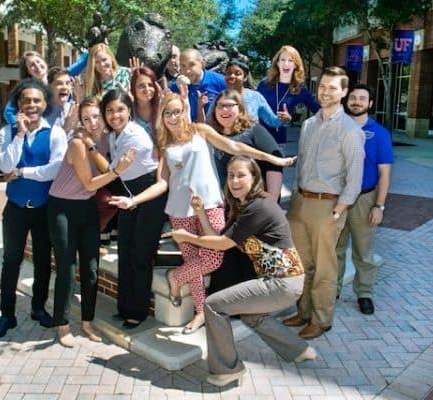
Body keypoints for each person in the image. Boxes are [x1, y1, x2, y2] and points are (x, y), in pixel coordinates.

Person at [110, 93, 295, 334]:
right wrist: (133, 200)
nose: (173, 117)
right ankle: (199, 312)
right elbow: (162, 184)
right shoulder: (165, 144)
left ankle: (175, 278)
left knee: (213, 256)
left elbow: (235, 146)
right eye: (168, 113)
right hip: (179, 209)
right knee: (193, 262)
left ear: (185, 110)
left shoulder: (201, 131)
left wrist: (272, 158)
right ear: (162, 117)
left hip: (209, 204)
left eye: (177, 111)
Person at [171, 155, 317, 387]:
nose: (235, 181)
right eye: (230, 175)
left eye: (241, 175)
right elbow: (217, 238)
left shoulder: (259, 206)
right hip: (280, 281)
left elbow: (222, 245)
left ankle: (227, 369)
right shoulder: (244, 206)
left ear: (255, 178)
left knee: (212, 305)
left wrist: (188, 237)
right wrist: (200, 212)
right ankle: (300, 350)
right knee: (251, 315)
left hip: (282, 282)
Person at [283, 67, 365, 340]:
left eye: (333, 88)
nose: (326, 92)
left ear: (343, 92)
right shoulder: (308, 125)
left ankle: (321, 319)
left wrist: (339, 211)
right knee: (302, 264)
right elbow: (302, 163)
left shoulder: (350, 131)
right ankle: (303, 311)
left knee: (325, 267)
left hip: (328, 207)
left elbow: (354, 178)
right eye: (322, 87)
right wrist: (294, 196)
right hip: (300, 203)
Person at [48, 96, 136, 347]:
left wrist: (99, 153)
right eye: (86, 118)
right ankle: (62, 325)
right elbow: (91, 182)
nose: (92, 122)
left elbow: (105, 165)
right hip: (62, 207)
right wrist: (118, 171)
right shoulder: (77, 142)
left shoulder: (106, 140)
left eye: (96, 116)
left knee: (91, 268)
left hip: (86, 206)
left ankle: (87, 322)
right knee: (67, 266)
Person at [0, 78, 67, 341]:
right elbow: (4, 164)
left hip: (44, 210)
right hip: (16, 209)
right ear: (18, 104)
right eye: (26, 100)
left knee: (44, 261)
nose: (32, 105)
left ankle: (37, 308)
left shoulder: (55, 132)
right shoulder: (8, 132)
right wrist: (20, 134)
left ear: (45, 104)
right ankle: (7, 316)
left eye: (37, 100)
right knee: (11, 261)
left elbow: (54, 170)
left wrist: (21, 172)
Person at [100, 88, 168, 329]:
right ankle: (124, 306)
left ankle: (137, 312)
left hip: (148, 192)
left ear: (129, 110)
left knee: (141, 253)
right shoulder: (113, 135)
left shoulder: (134, 134)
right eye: (109, 110)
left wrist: (88, 148)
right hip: (128, 192)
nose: (115, 115)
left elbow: (112, 170)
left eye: (120, 109)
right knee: (125, 250)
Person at [336, 83, 393, 315]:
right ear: (346, 101)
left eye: (362, 98)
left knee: (363, 251)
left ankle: (365, 293)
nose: (357, 101)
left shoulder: (380, 133)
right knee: (334, 249)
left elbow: (385, 174)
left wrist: (379, 206)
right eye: (353, 97)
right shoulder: (336, 128)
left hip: (364, 198)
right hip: (337, 199)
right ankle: (333, 290)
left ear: (370, 104)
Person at [208, 89, 284, 201]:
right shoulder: (212, 134)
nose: (224, 109)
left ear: (240, 109)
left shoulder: (253, 130)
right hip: (222, 205)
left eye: (230, 105)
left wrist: (272, 200)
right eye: (220, 105)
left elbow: (275, 160)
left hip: (252, 203)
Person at [202, 59, 290, 130]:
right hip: (226, 145)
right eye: (228, 73)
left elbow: (272, 122)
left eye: (237, 73)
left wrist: (284, 119)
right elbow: (209, 125)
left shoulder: (255, 97)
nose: (232, 76)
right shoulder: (219, 98)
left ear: (245, 78)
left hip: (250, 145)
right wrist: (200, 107)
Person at [256, 46, 320, 143]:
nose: (286, 64)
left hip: (279, 141)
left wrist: (289, 119)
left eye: (290, 60)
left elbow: (317, 109)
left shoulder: (299, 89)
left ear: (295, 65)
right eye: (283, 60)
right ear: (277, 63)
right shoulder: (264, 84)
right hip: (259, 138)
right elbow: (253, 108)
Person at [3, 51, 85, 125]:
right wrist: (22, 129)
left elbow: (82, 62)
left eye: (38, 61)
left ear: (45, 62)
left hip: (69, 123)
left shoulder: (60, 76)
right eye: (32, 65)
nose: (37, 66)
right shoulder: (28, 90)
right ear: (28, 71)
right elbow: (8, 112)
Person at [170, 48, 226, 122]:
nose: (187, 71)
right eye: (183, 66)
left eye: (192, 65)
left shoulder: (220, 82)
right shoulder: (175, 87)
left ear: (202, 64)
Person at [44, 67, 78, 133]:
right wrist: (66, 128)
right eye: (59, 83)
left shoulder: (75, 110)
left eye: (68, 83)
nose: (65, 87)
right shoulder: (41, 114)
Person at [130, 66, 161, 137]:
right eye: (141, 86)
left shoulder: (161, 106)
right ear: (133, 89)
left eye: (150, 85)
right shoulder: (129, 109)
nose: (147, 89)